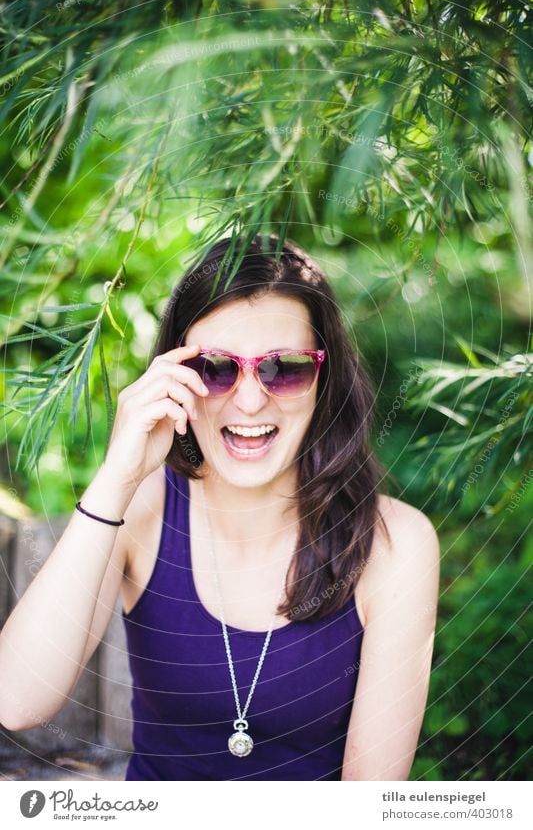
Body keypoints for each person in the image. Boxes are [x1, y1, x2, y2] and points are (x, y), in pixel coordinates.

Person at [0, 234, 440, 781]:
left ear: (324, 380)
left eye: (286, 367)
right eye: (215, 368)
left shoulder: (395, 543)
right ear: (174, 377)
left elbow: (369, 805)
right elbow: (16, 700)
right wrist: (118, 476)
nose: (251, 399)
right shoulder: (144, 508)